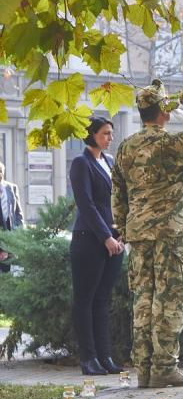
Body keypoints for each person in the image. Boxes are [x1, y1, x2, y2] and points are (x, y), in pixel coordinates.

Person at [112, 81, 183, 389]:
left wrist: (125, 229)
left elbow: (118, 195)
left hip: (139, 234)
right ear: (164, 109)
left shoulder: (126, 147)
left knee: (144, 299)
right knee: (171, 298)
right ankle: (164, 367)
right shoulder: (174, 143)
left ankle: (145, 369)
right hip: (172, 234)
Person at [69, 116, 125, 376]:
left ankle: (105, 357)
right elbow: (87, 204)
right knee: (85, 300)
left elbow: (117, 201)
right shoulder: (81, 163)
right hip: (88, 239)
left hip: (114, 240)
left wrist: (120, 233)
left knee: (102, 300)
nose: (110, 138)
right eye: (105, 133)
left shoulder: (110, 162)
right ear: (91, 134)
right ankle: (88, 359)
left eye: (111, 133)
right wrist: (106, 236)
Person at [0, 161, 24, 272]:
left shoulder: (11, 188)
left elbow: (18, 216)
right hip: (2, 247)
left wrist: (20, 240)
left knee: (8, 281)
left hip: (11, 246)